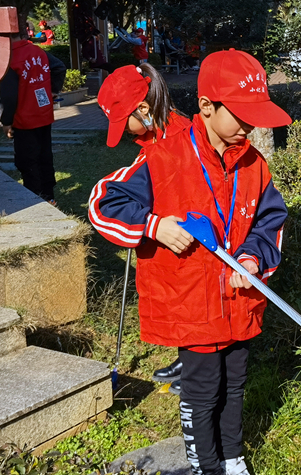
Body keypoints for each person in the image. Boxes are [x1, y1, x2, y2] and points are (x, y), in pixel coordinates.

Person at [88, 49, 291, 475]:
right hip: (192, 302)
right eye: (240, 115)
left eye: (256, 115)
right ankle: (206, 466)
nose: (249, 126)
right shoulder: (163, 157)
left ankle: (232, 458)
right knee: (202, 389)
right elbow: (103, 202)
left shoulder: (254, 164)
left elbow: (269, 220)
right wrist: (154, 225)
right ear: (206, 106)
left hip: (239, 301)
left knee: (234, 383)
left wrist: (253, 259)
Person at [90, 63, 192, 393]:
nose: (127, 132)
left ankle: (194, 370)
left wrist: (148, 224)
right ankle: (190, 360)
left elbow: (101, 203)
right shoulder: (187, 129)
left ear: (144, 109)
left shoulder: (160, 151)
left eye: (125, 123)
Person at [0, 30, 66, 204]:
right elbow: (59, 67)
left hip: (24, 119)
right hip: (43, 114)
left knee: (27, 160)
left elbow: (8, 96)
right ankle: (50, 196)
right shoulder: (38, 51)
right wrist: (52, 90)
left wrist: (6, 121)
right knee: (45, 156)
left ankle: (36, 199)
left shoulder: (10, 58)